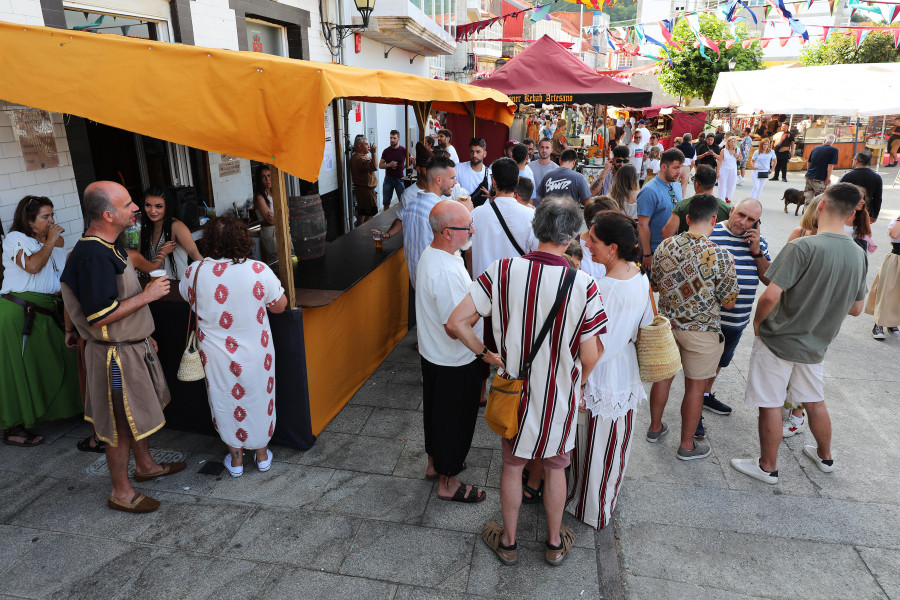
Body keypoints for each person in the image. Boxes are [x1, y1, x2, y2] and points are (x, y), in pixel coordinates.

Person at [447, 197, 607, 567]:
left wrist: (486, 355)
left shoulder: (501, 270)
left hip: (512, 392)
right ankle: (553, 544)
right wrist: (581, 385)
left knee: (513, 466)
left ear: (536, 231)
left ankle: (508, 542)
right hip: (559, 396)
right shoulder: (582, 284)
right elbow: (590, 355)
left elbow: (456, 323)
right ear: (571, 238)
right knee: (555, 467)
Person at [60, 181, 185, 513]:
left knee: (135, 415)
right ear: (107, 214)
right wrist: (148, 296)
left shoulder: (109, 246)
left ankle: (145, 466)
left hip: (130, 345)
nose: (136, 209)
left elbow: (115, 301)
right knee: (119, 424)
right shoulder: (93, 256)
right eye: (128, 204)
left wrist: (142, 332)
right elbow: (99, 315)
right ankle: (121, 492)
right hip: (113, 357)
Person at [731, 183, 868, 484]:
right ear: (849, 215)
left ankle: (768, 466)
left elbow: (770, 296)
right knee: (814, 399)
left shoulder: (802, 246)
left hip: (780, 338)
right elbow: (857, 309)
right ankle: (825, 456)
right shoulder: (858, 254)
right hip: (817, 342)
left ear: (820, 206)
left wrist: (758, 326)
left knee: (770, 403)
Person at [179, 217, 287, 477]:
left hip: (214, 353)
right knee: (259, 397)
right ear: (242, 238)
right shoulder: (258, 270)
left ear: (208, 241)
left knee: (222, 398)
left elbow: (188, 299)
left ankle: (236, 460)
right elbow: (279, 306)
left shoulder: (195, 271)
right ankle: (262, 456)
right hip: (256, 351)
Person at [566, 211, 652, 529]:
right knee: (612, 445)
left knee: (594, 445)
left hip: (601, 373)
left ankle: (589, 508)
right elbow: (642, 326)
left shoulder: (602, 287)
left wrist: (580, 383)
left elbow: (595, 347)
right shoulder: (639, 275)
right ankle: (602, 503)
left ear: (612, 247)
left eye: (593, 240)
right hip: (624, 367)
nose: (587, 245)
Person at [647, 194, 739, 460]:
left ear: (686, 219)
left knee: (663, 378)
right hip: (702, 332)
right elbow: (730, 302)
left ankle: (655, 428)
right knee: (695, 389)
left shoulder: (665, 245)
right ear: (714, 220)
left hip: (667, 327)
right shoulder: (721, 255)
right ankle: (686, 445)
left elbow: (655, 285)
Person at [417, 200, 488, 503]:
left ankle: (435, 465)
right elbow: (454, 327)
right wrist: (484, 306)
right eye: (466, 227)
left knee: (436, 415)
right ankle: (449, 481)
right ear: (447, 232)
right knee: (455, 423)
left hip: (435, 356)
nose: (472, 230)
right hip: (454, 361)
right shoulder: (445, 270)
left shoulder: (439, 254)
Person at [1, 196, 82, 447]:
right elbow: (33, 267)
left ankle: (74, 408)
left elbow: (56, 259)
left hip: (45, 311)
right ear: (29, 221)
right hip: (18, 313)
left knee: (62, 356)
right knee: (19, 371)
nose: (52, 221)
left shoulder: (47, 241)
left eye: (52, 215)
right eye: (45, 217)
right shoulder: (15, 239)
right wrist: (48, 242)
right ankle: (14, 427)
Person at [702, 198, 770, 421]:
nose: (743, 222)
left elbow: (768, 279)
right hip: (707, 320)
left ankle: (704, 395)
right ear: (731, 211)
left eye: (751, 219)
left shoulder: (758, 243)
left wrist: (757, 251)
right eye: (741, 215)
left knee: (720, 362)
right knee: (700, 368)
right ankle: (694, 417)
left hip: (736, 321)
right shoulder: (710, 234)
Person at [471, 157, 538, 277]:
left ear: (493, 182)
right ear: (517, 181)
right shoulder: (531, 216)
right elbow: (538, 252)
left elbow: (468, 251)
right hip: (514, 286)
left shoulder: (475, 214)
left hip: (482, 286)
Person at [403, 156, 458, 290]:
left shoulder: (410, 205)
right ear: (439, 180)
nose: (455, 182)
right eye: (452, 178)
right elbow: (454, 249)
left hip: (416, 284)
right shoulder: (440, 210)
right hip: (436, 287)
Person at [128, 186, 203, 280]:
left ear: (167, 206)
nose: (152, 211)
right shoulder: (146, 228)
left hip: (178, 287)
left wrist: (210, 279)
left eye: (158, 206)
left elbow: (195, 254)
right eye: (148, 205)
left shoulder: (176, 226)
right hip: (155, 288)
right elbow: (139, 260)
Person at [637, 148, 685, 269]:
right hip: (654, 253)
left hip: (673, 252)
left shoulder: (677, 185)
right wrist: (647, 254)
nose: (679, 171)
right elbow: (642, 225)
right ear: (664, 167)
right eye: (676, 167)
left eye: (680, 167)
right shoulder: (649, 190)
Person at [660, 165, 731, 238]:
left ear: (696, 184)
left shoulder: (682, 206)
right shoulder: (727, 208)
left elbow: (666, 233)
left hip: (687, 248)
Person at [866, 215, 900, 339]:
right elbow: (894, 235)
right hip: (896, 259)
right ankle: (878, 323)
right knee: (886, 292)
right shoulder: (897, 220)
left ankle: (892, 322)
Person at [839, 150, 882, 220]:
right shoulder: (877, 177)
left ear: (856, 161)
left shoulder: (847, 175)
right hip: (866, 212)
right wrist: (875, 215)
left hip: (848, 212)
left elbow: (838, 195)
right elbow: (878, 198)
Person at [349, 135, 378, 226]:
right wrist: (373, 153)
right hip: (366, 191)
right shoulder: (360, 158)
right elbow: (374, 167)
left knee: (362, 213)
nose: (368, 146)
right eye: (366, 144)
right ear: (360, 146)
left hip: (361, 190)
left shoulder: (356, 156)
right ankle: (365, 234)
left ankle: (359, 233)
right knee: (369, 215)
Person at [252, 164, 278, 262]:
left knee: (291, 257)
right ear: (259, 180)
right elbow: (270, 220)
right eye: (264, 177)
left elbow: (287, 214)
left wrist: (275, 217)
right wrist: (279, 217)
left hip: (280, 230)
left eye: (269, 175)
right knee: (276, 261)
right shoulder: (260, 197)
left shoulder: (275, 192)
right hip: (270, 233)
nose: (268, 179)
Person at [804, 134, 839, 207]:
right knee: (820, 200)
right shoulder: (834, 150)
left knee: (808, 199)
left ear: (824, 140)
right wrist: (828, 178)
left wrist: (809, 172)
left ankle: (806, 215)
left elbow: (809, 162)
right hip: (820, 178)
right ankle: (816, 217)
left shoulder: (816, 148)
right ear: (833, 142)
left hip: (809, 176)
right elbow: (830, 165)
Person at [379, 129, 409, 211]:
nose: (392, 140)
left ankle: (402, 220)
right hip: (388, 179)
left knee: (403, 201)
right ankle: (385, 222)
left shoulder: (403, 150)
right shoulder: (386, 151)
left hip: (399, 178)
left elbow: (411, 159)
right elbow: (380, 165)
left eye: (394, 138)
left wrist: (404, 167)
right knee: (386, 202)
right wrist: (389, 165)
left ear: (398, 139)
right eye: (390, 138)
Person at [529, 138, 557, 202]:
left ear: (551, 150)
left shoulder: (556, 169)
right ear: (538, 148)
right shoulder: (529, 167)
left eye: (547, 148)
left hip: (550, 208)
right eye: (542, 147)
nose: (544, 150)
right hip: (532, 208)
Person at [717, 136, 743, 204]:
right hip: (724, 169)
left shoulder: (737, 150)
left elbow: (741, 158)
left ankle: (728, 198)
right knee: (722, 185)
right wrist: (717, 171)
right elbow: (720, 161)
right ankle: (721, 200)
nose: (733, 143)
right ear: (728, 143)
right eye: (732, 142)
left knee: (732, 185)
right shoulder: (723, 150)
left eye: (734, 142)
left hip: (733, 169)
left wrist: (737, 157)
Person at [676, 133, 696, 198]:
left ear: (683, 139)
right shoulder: (693, 149)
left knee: (674, 185)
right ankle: (681, 200)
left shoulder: (677, 147)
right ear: (691, 140)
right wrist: (689, 169)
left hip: (677, 167)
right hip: (686, 168)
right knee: (683, 187)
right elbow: (693, 162)